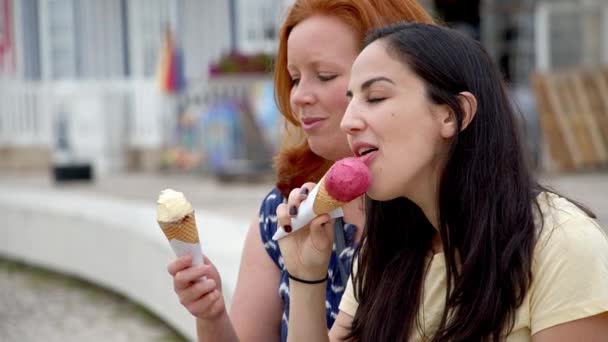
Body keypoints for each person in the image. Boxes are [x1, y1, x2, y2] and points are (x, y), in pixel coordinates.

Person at [277, 22, 608, 341]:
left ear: (452, 114)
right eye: (350, 101)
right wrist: (306, 274)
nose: (348, 122)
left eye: (375, 97)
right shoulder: (384, 254)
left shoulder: (561, 244)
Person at [166, 2, 434, 341]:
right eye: (294, 78)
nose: (300, 97)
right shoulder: (284, 209)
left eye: (325, 76)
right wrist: (210, 313)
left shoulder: (434, 210)